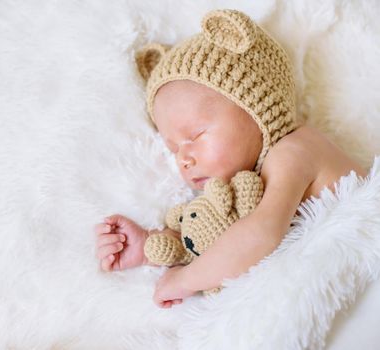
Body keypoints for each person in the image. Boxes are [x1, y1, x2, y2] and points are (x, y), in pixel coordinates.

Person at [94, 9, 367, 309]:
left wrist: (185, 280)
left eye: (196, 136)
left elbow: (259, 236)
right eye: (174, 149)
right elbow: (215, 238)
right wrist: (151, 245)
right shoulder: (245, 188)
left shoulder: (294, 151)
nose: (183, 158)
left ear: (256, 107)